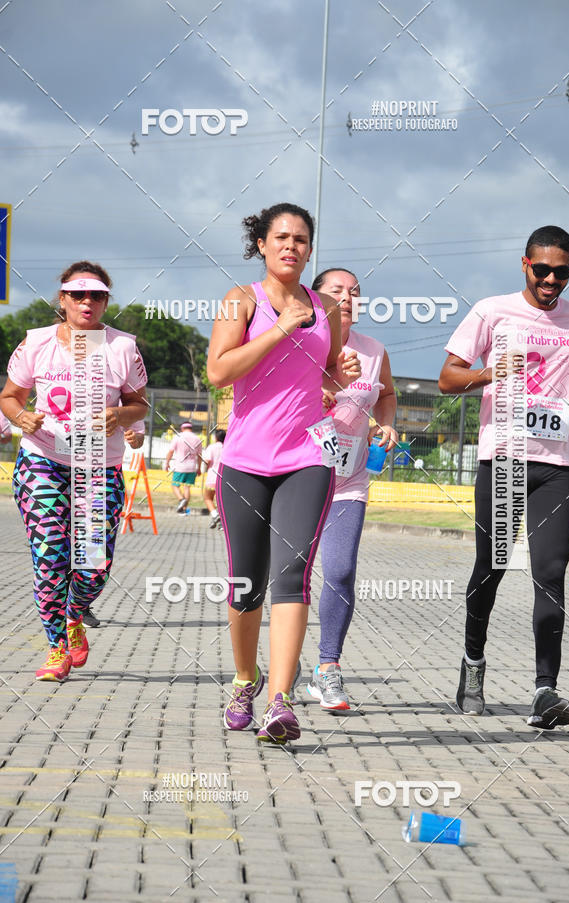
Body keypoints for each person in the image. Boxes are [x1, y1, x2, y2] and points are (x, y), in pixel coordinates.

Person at [207, 202, 360, 743]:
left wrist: (342, 374)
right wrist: (278, 332)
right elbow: (218, 371)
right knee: (246, 582)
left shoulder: (326, 308)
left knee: (291, 573)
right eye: (282, 238)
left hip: (307, 457)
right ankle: (246, 679)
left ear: (309, 248)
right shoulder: (240, 300)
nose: (291, 246)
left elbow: (329, 375)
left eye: (300, 239)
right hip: (246, 461)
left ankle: (281, 698)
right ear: (263, 245)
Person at [439, 226, 569, 729]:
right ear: (525, 264)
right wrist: (492, 374)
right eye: (543, 270)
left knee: (550, 572)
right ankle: (473, 663)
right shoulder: (492, 310)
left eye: (563, 272)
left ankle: (545, 691)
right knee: (492, 566)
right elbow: (447, 379)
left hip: (558, 464)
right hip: (504, 458)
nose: (552, 280)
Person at [0, 261, 148, 680]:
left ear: (106, 302)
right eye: (78, 294)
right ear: (62, 299)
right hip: (42, 461)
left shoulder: (122, 347)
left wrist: (121, 415)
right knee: (50, 556)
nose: (87, 301)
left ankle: (75, 612)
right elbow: (10, 396)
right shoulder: (36, 343)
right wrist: (21, 417)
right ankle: (55, 647)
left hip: (98, 465)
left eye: (97, 295)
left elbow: (139, 403)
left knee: (92, 568)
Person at [304, 268, 398, 710]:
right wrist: (319, 388)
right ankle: (268, 671)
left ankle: (328, 668)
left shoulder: (374, 351)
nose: (347, 297)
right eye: (336, 291)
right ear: (315, 297)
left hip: (348, 480)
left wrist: (389, 423)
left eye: (356, 292)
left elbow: (387, 394)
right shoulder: (297, 342)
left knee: (339, 571)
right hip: (297, 477)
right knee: (288, 578)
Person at [85, 419, 146, 629]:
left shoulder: (123, 391)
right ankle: (63, 604)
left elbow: (138, 437)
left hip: (104, 476)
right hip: (60, 471)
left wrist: (135, 438)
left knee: (95, 545)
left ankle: (81, 604)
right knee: (63, 543)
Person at [164, 421, 203, 514]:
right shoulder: (197, 438)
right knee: (187, 488)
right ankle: (184, 509)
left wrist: (167, 462)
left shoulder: (178, 436)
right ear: (191, 428)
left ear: (182, 428)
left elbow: (171, 451)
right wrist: (199, 468)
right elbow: (200, 455)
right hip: (192, 467)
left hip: (180, 466)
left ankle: (181, 499)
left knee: (174, 485)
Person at [201, 429, 226, 528]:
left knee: (207, 498)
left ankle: (215, 515)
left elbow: (207, 460)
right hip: (224, 478)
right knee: (221, 501)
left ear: (216, 437)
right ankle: (222, 523)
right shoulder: (227, 447)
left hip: (212, 477)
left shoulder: (212, 447)